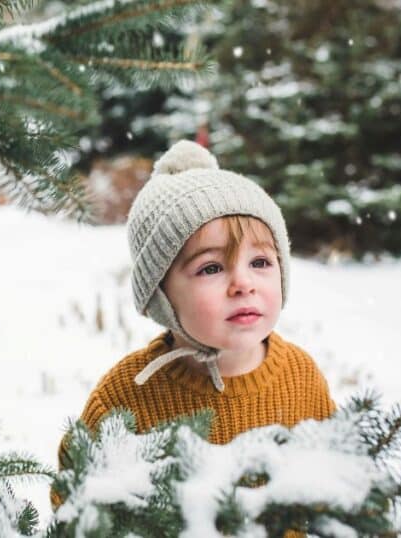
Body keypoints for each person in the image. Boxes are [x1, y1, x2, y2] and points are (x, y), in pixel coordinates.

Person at [52, 140, 337, 515]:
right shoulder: (127, 396)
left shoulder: (300, 379)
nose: (243, 284)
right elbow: (74, 501)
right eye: (212, 268)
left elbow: (338, 486)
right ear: (161, 296)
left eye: (261, 262)